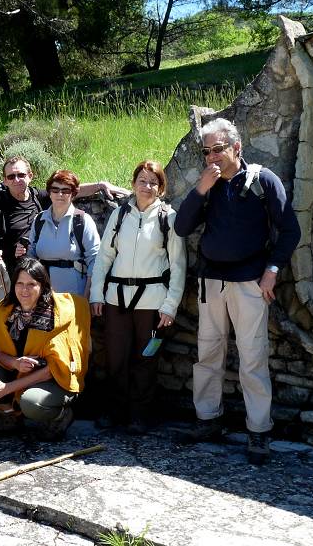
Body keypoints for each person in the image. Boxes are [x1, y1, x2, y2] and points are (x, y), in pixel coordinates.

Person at [173, 118, 301, 465]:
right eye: (205, 152)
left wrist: (272, 271)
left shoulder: (263, 181)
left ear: (236, 147)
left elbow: (289, 230)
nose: (211, 157)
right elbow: (182, 226)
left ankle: (258, 432)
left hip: (250, 283)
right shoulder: (207, 185)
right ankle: (207, 421)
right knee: (208, 353)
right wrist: (200, 189)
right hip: (211, 281)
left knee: (253, 356)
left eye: (218, 149)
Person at [89, 160, 186, 433]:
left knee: (146, 359)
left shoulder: (169, 218)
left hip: (153, 302)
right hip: (116, 300)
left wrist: (170, 306)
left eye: (153, 182)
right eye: (142, 181)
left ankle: (139, 415)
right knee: (115, 358)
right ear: (133, 184)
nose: (147, 186)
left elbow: (178, 265)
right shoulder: (119, 216)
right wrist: (97, 293)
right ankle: (115, 411)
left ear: (161, 188)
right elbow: (104, 258)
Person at [0, 156, 124, 318]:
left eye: (21, 175)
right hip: (7, 278)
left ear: (30, 176)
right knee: (0, 326)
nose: (16, 180)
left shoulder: (38, 198)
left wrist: (100, 185)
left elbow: (66, 189)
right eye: (11, 176)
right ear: (4, 180)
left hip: (37, 285)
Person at [0, 257, 90, 440]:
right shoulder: (5, 310)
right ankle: (10, 416)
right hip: (18, 373)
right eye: (20, 283)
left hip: (53, 379)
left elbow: (51, 370)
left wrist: (6, 388)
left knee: (31, 402)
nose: (24, 290)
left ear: (42, 285)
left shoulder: (55, 316)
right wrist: (15, 363)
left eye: (31, 284)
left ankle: (61, 417)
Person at [25, 170, 100, 296]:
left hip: (74, 296)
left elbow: (95, 260)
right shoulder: (39, 220)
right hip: (43, 295)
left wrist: (87, 296)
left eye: (65, 191)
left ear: (73, 194)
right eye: (55, 190)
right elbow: (31, 255)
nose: (60, 194)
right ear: (49, 193)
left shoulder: (82, 221)